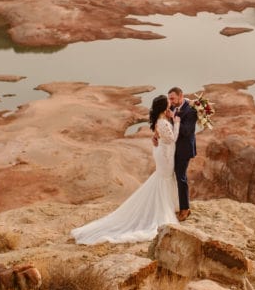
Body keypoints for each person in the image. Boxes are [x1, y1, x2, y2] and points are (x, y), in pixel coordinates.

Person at [70, 95, 180, 245]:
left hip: (162, 152)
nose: (170, 104)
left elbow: (159, 137)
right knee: (164, 178)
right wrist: (176, 122)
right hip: (165, 156)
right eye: (168, 103)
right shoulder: (163, 121)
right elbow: (172, 139)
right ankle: (161, 211)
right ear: (163, 107)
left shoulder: (160, 120)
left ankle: (163, 207)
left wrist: (166, 126)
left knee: (162, 179)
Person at [167, 86, 197, 221]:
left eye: (172, 98)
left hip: (184, 149)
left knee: (181, 177)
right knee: (172, 176)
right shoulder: (173, 107)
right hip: (172, 149)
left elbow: (187, 131)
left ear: (181, 96)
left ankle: (185, 209)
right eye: (169, 98)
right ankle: (175, 204)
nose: (170, 101)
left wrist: (174, 118)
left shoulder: (191, 111)